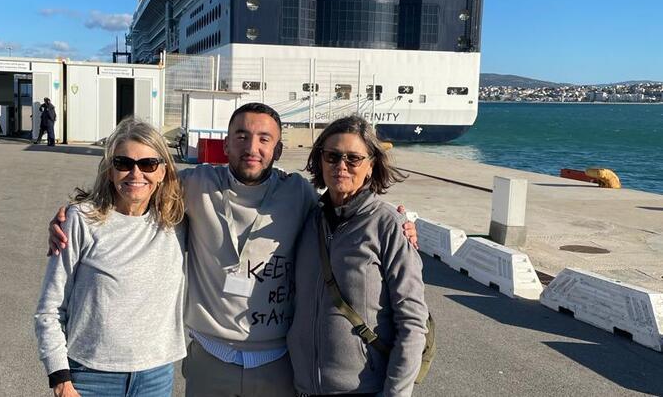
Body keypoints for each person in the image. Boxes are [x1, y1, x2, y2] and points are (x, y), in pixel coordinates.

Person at [48, 103, 418, 397]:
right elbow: (138, 183)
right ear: (225, 143)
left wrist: (402, 224)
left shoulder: (301, 196)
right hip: (211, 359)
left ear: (278, 148)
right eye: (241, 136)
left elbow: (352, 211)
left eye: (263, 138)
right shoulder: (193, 184)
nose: (251, 147)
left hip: (278, 364)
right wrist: (74, 212)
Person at [34, 118, 186, 397]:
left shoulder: (176, 221)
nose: (136, 173)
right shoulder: (81, 221)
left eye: (149, 164)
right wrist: (60, 379)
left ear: (163, 171)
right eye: (123, 163)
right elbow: (50, 308)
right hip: (89, 378)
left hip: (156, 377)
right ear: (109, 171)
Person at [287, 115, 428, 396]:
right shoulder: (308, 218)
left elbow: (412, 323)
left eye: (353, 159)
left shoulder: (389, 225)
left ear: (371, 165)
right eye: (332, 156)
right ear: (320, 160)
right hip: (302, 388)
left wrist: (395, 393)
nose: (341, 166)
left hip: (362, 389)